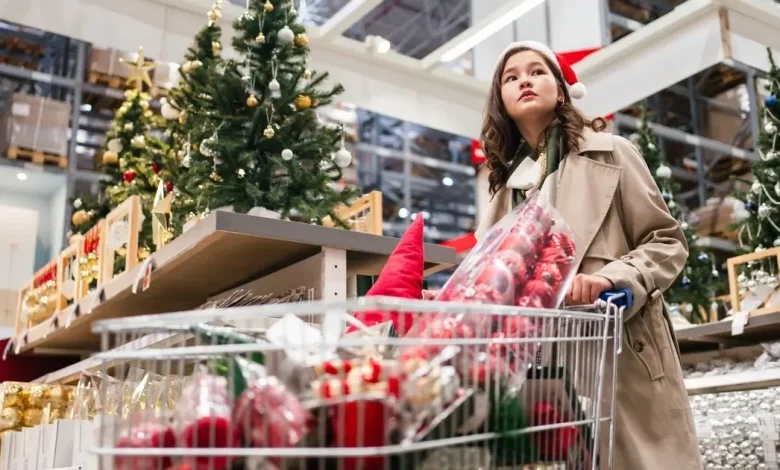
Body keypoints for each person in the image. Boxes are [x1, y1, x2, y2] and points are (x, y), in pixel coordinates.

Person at [473, 41, 702, 469]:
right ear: (501, 102)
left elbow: (667, 241)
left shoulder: (613, 153)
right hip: (543, 378)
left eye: (537, 71)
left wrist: (614, 278)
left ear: (561, 91)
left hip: (621, 355)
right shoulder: (506, 194)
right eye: (511, 76)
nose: (524, 79)